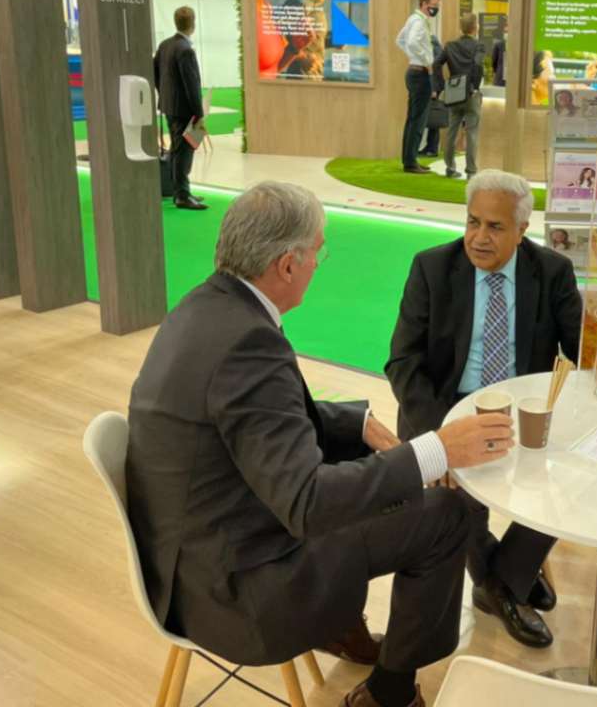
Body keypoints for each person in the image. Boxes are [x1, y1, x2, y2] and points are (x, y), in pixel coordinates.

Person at [126, 181, 516, 707]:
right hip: (239, 594)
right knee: (448, 515)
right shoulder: (248, 344)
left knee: (365, 462)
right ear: (288, 265)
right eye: (317, 252)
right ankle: (390, 693)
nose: (317, 263)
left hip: (192, 558)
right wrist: (437, 450)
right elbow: (307, 502)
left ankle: (340, 626)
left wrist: (357, 425)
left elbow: (258, 420)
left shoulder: (207, 307)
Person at [386, 170, 582, 649]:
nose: (478, 237)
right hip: (445, 409)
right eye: (472, 222)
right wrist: (441, 437)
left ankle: (501, 580)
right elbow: (403, 363)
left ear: (522, 230)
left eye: (495, 227)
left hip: (522, 413)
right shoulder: (432, 268)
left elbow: (583, 352)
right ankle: (509, 584)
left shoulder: (552, 272)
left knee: (570, 483)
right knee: (457, 501)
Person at [153, 6, 206, 210]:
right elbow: (192, 85)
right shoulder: (186, 50)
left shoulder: (165, 45)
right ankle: (182, 195)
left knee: (178, 149)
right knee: (184, 151)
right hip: (185, 111)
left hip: (170, 106)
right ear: (193, 24)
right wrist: (199, 114)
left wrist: (164, 94)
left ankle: (181, 191)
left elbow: (155, 72)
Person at [433, 13, 486, 180]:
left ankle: (450, 167)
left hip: (454, 91)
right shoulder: (479, 46)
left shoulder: (450, 46)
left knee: (452, 131)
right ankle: (471, 172)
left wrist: (441, 86)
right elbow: (478, 66)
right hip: (470, 94)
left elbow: (436, 64)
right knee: (472, 133)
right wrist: (474, 87)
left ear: (461, 28)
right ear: (475, 27)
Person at [395, 0, 441, 173]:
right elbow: (412, 42)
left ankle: (409, 159)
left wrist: (413, 57)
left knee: (412, 119)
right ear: (423, 3)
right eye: (433, 5)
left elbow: (400, 40)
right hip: (420, 74)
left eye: (437, 5)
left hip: (413, 71)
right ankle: (410, 162)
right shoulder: (419, 22)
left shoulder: (413, 19)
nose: (435, 8)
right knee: (418, 120)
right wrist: (426, 61)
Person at [491, 19, 507, 88]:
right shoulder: (498, 45)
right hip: (500, 80)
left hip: (502, 79)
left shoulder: (499, 44)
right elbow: (494, 62)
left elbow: (494, 62)